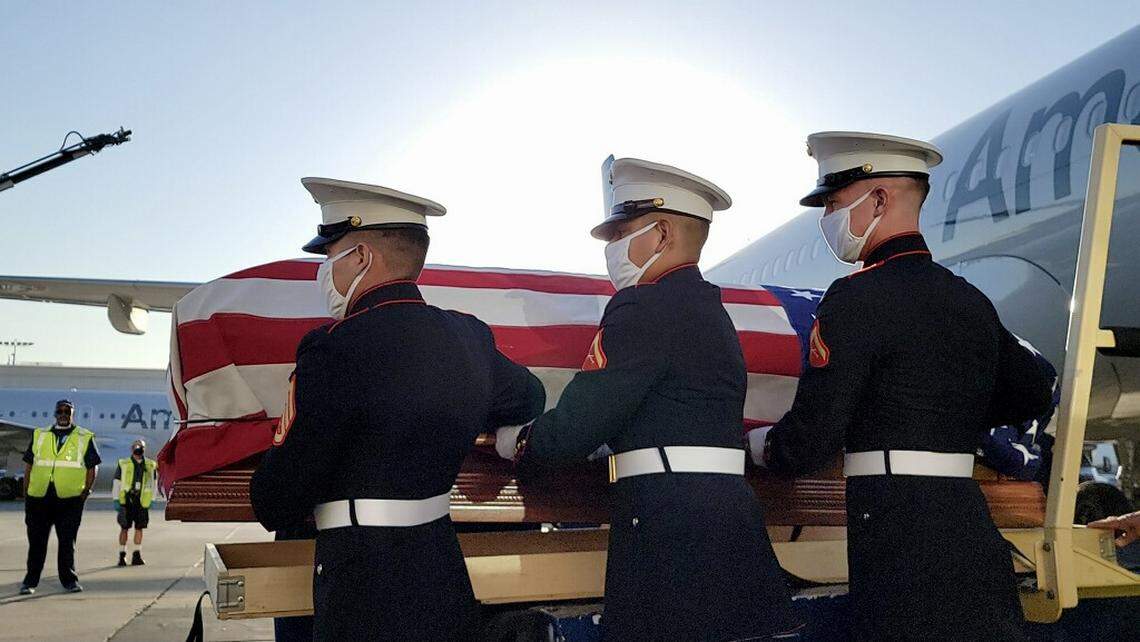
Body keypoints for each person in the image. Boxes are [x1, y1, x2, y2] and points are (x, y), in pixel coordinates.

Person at [748, 132, 1054, 641]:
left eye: (834, 202)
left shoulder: (855, 297)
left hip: (895, 525)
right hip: (965, 516)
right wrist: (945, 413)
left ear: (879, 200)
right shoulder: (968, 299)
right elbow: (1032, 393)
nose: (827, 217)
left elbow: (814, 437)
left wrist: (758, 448)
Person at [498, 156, 799, 641]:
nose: (612, 249)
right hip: (730, 518)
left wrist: (519, 441)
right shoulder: (711, 311)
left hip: (668, 527)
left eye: (622, 233)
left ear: (660, 235)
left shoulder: (642, 308)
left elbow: (577, 426)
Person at [250, 177, 545, 641]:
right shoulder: (469, 338)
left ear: (361, 257)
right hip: (438, 569)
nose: (324, 271)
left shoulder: (332, 351)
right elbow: (530, 398)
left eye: (330, 256)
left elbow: (277, 500)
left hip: (359, 584)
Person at [20, 399, 100, 595]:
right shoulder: (40, 435)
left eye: (67, 411)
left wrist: (86, 491)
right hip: (39, 497)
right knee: (37, 542)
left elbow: (92, 467)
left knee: (67, 542)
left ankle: (69, 580)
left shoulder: (84, 436)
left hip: (70, 499)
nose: (63, 414)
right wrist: (26, 491)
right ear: (55, 413)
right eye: (60, 411)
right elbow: (29, 465)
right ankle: (30, 581)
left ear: (72, 414)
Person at [113, 438, 157, 566]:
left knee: (139, 528)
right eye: (136, 446)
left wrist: (152, 499)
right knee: (124, 528)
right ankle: (122, 555)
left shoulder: (150, 465)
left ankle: (137, 555)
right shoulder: (124, 463)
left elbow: (153, 483)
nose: (138, 449)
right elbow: (117, 482)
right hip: (126, 501)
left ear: (144, 449)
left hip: (142, 501)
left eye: (141, 447)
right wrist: (116, 499)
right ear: (132, 449)